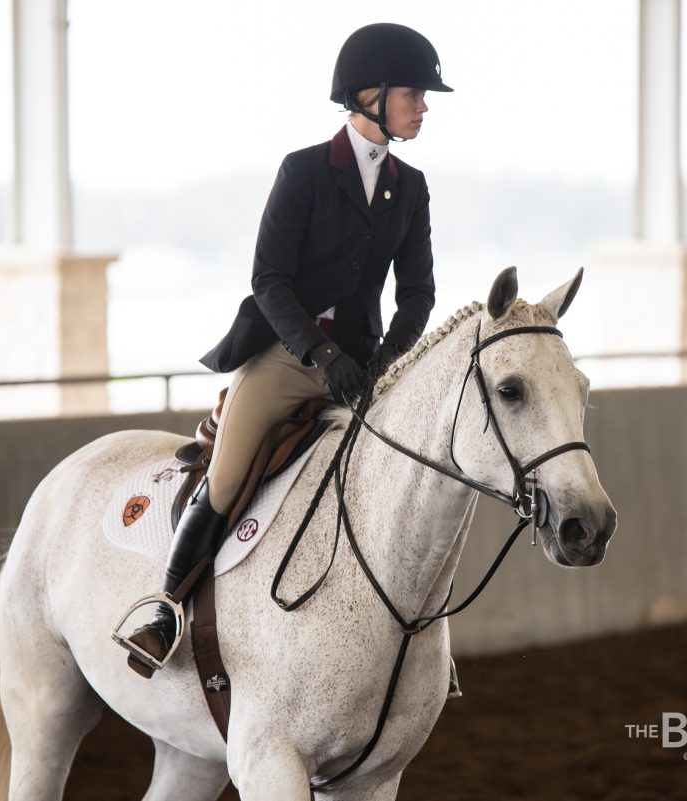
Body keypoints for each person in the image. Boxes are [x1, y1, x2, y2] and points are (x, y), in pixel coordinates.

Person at [118, 22, 453, 678]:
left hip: (365, 367)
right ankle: (164, 610)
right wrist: (320, 356)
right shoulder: (304, 171)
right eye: (414, 93)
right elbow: (268, 279)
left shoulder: (409, 188)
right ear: (370, 95)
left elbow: (418, 292)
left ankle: (414, 639)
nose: (423, 105)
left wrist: (388, 358)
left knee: (410, 474)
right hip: (288, 358)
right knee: (226, 477)